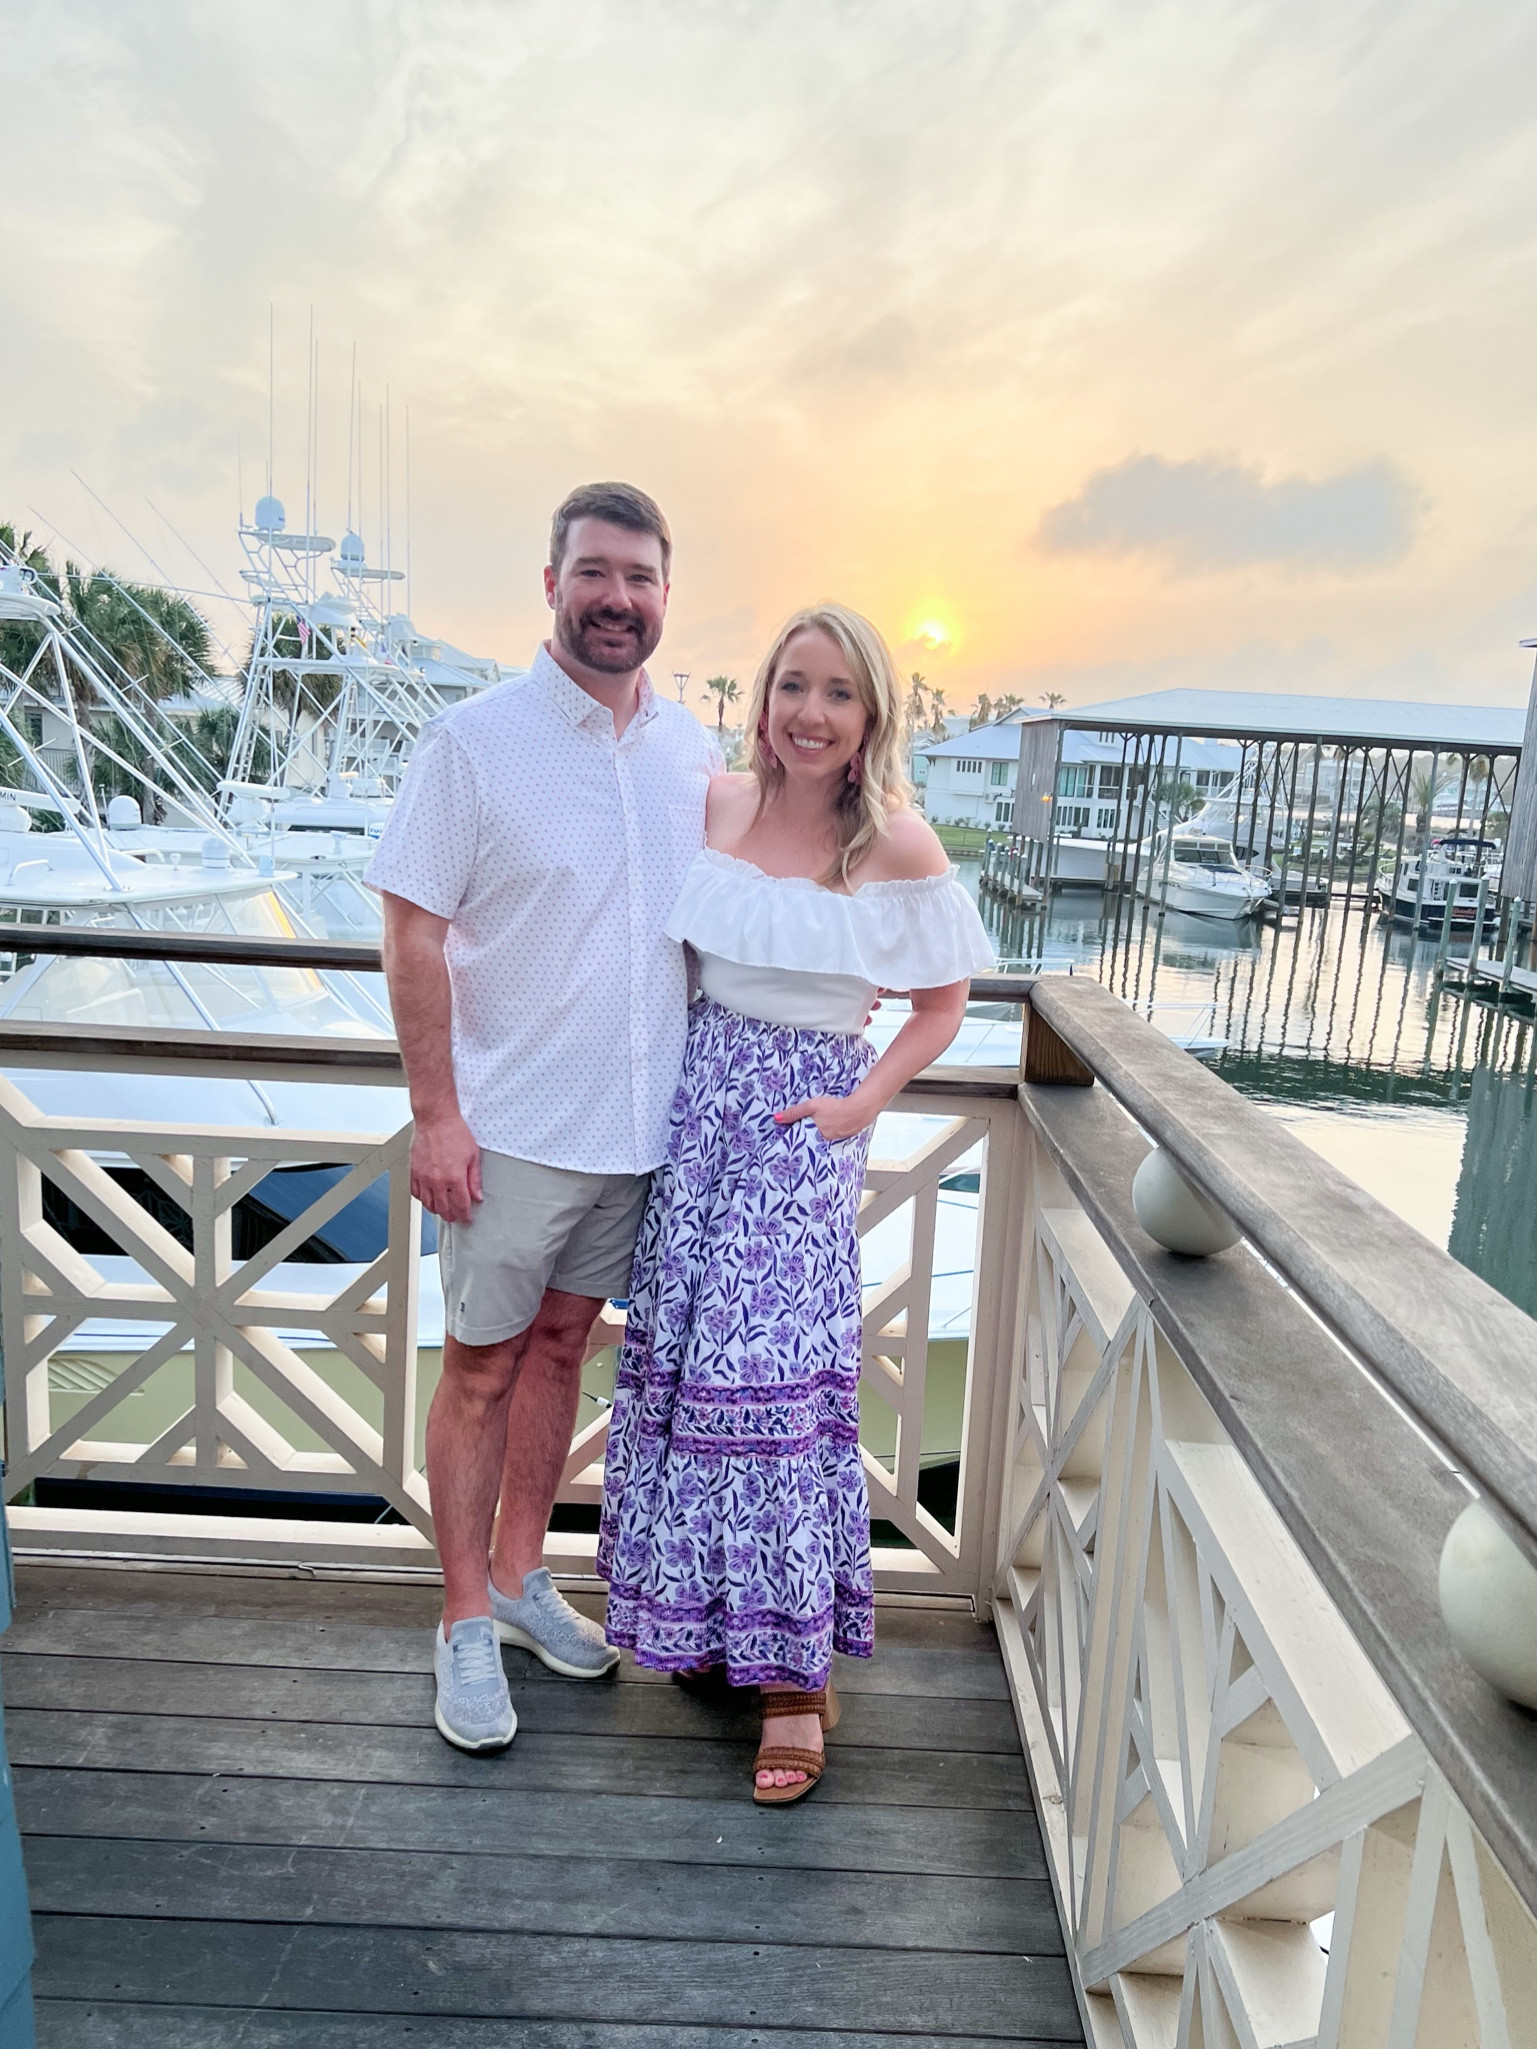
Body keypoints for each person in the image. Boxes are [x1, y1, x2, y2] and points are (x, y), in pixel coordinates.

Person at [597, 602, 995, 1804]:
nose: (810, 714)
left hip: (794, 1137)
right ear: (762, 699)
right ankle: (725, 1631)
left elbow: (939, 1002)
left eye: (837, 693)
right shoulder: (717, 805)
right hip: (694, 1121)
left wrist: (861, 1104)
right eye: (792, 687)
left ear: (871, 714)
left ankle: (793, 1683)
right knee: (687, 1388)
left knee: (771, 1403)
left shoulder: (896, 843)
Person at [368, 481, 720, 1753]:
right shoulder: (476, 741)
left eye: (639, 577)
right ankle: (464, 1620)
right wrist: (435, 1117)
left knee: (564, 1356)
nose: (616, 599)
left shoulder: (691, 751)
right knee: (477, 1369)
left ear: (665, 596)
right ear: (553, 583)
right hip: (508, 1129)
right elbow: (410, 933)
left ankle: (522, 1578)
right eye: (594, 573)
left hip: (636, 1133)